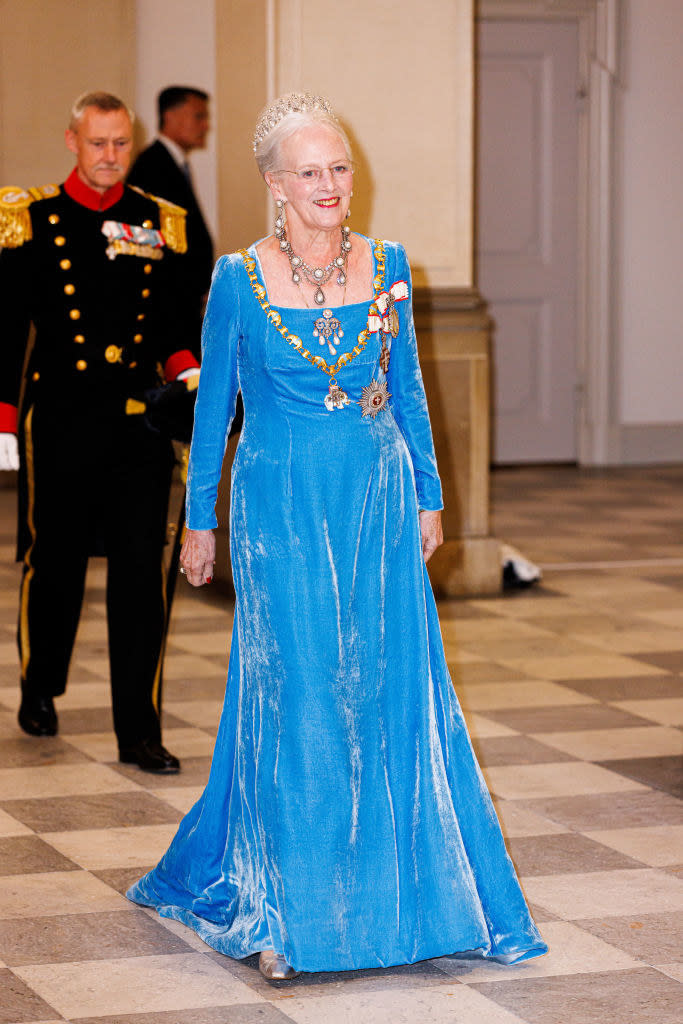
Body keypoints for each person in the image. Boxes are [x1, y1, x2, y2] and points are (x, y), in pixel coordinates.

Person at [127, 92, 548, 977]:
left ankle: (402, 895)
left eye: (340, 167)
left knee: (386, 689)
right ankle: (284, 908)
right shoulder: (238, 279)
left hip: (375, 498)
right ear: (276, 185)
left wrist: (430, 496)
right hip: (278, 504)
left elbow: (410, 391)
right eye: (310, 172)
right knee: (301, 694)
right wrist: (197, 518)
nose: (330, 185)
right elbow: (214, 414)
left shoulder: (388, 264)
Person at [0, 91, 201, 774]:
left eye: (120, 143)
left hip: (139, 425)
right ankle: (39, 684)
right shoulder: (31, 219)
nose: (110, 157)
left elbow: (174, 326)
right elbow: (5, 332)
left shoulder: (157, 221)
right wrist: (3, 418)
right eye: (97, 144)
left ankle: (139, 729)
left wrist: (190, 380)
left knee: (142, 577)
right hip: (58, 421)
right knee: (53, 565)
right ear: (72, 141)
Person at [127, 86, 213, 359]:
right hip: (167, 312)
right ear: (171, 116)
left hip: (183, 307)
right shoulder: (152, 166)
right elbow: (153, 244)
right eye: (198, 116)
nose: (206, 125)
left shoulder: (173, 163)